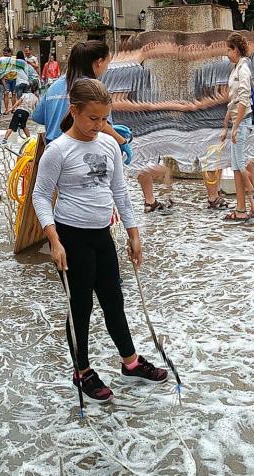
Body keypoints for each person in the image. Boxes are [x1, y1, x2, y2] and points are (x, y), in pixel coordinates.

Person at [32, 78, 168, 404]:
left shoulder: (108, 145)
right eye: (93, 118)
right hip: (71, 237)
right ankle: (82, 371)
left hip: (102, 235)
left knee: (113, 300)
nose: (99, 125)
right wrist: (54, 240)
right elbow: (39, 196)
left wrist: (133, 234)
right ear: (74, 111)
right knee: (80, 306)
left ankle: (130, 362)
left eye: (104, 118)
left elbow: (120, 191)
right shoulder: (58, 151)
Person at [221, 32, 254, 222]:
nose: (227, 53)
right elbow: (235, 100)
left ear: (236, 49)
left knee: (240, 166)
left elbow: (244, 99)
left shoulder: (243, 69)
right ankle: (243, 206)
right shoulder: (238, 68)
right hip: (239, 120)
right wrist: (227, 122)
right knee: (237, 166)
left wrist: (234, 127)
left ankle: (250, 202)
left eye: (229, 49)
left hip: (242, 122)